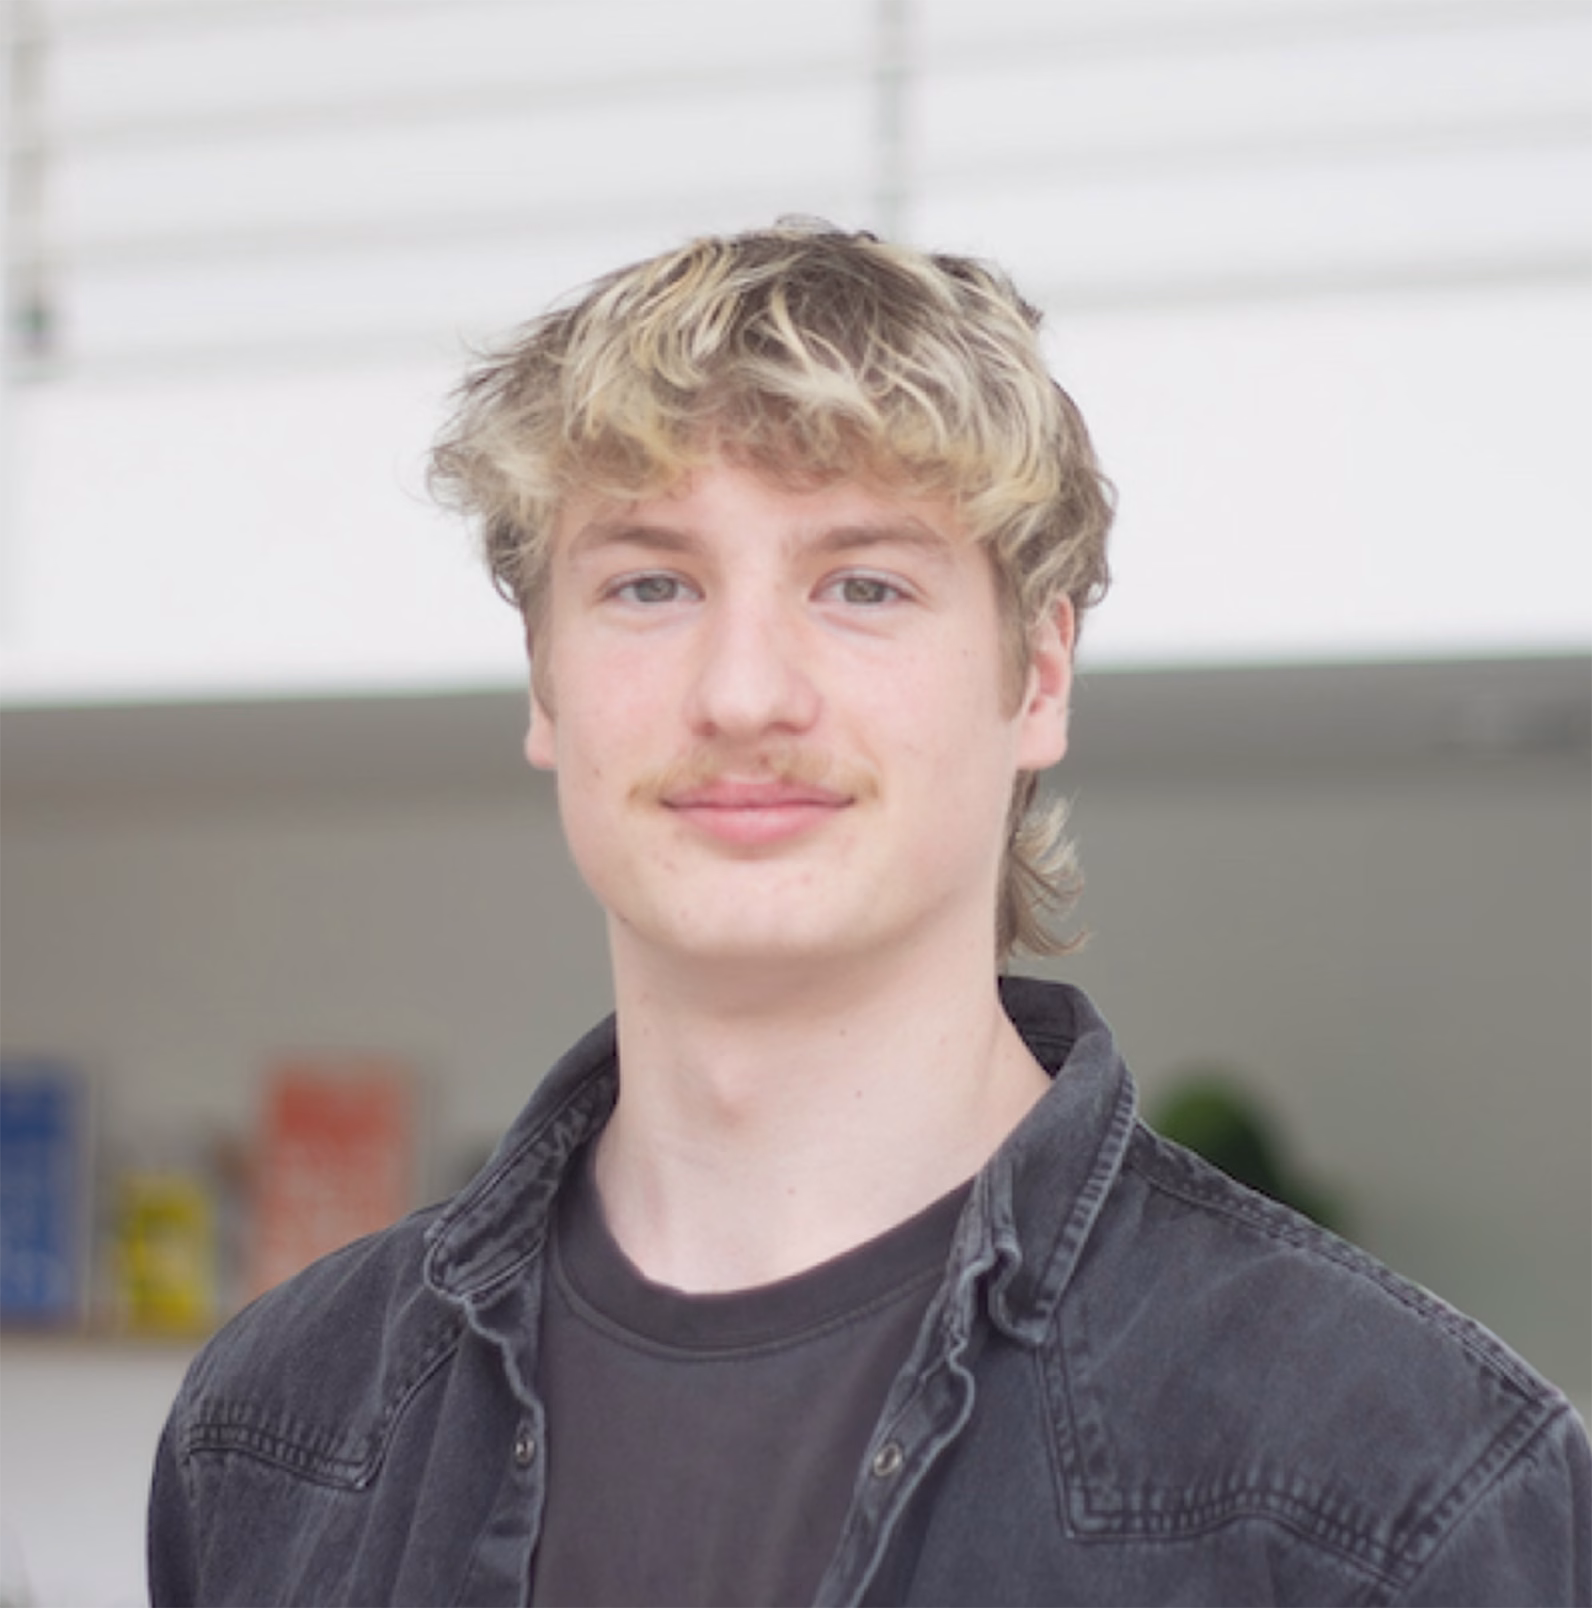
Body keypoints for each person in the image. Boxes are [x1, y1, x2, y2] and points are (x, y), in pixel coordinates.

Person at [148, 223, 1592, 1607]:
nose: (742, 692)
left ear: (1035, 678)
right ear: (544, 685)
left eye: (862, 584)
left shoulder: (1402, 1475)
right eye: (651, 582)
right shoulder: (275, 1429)